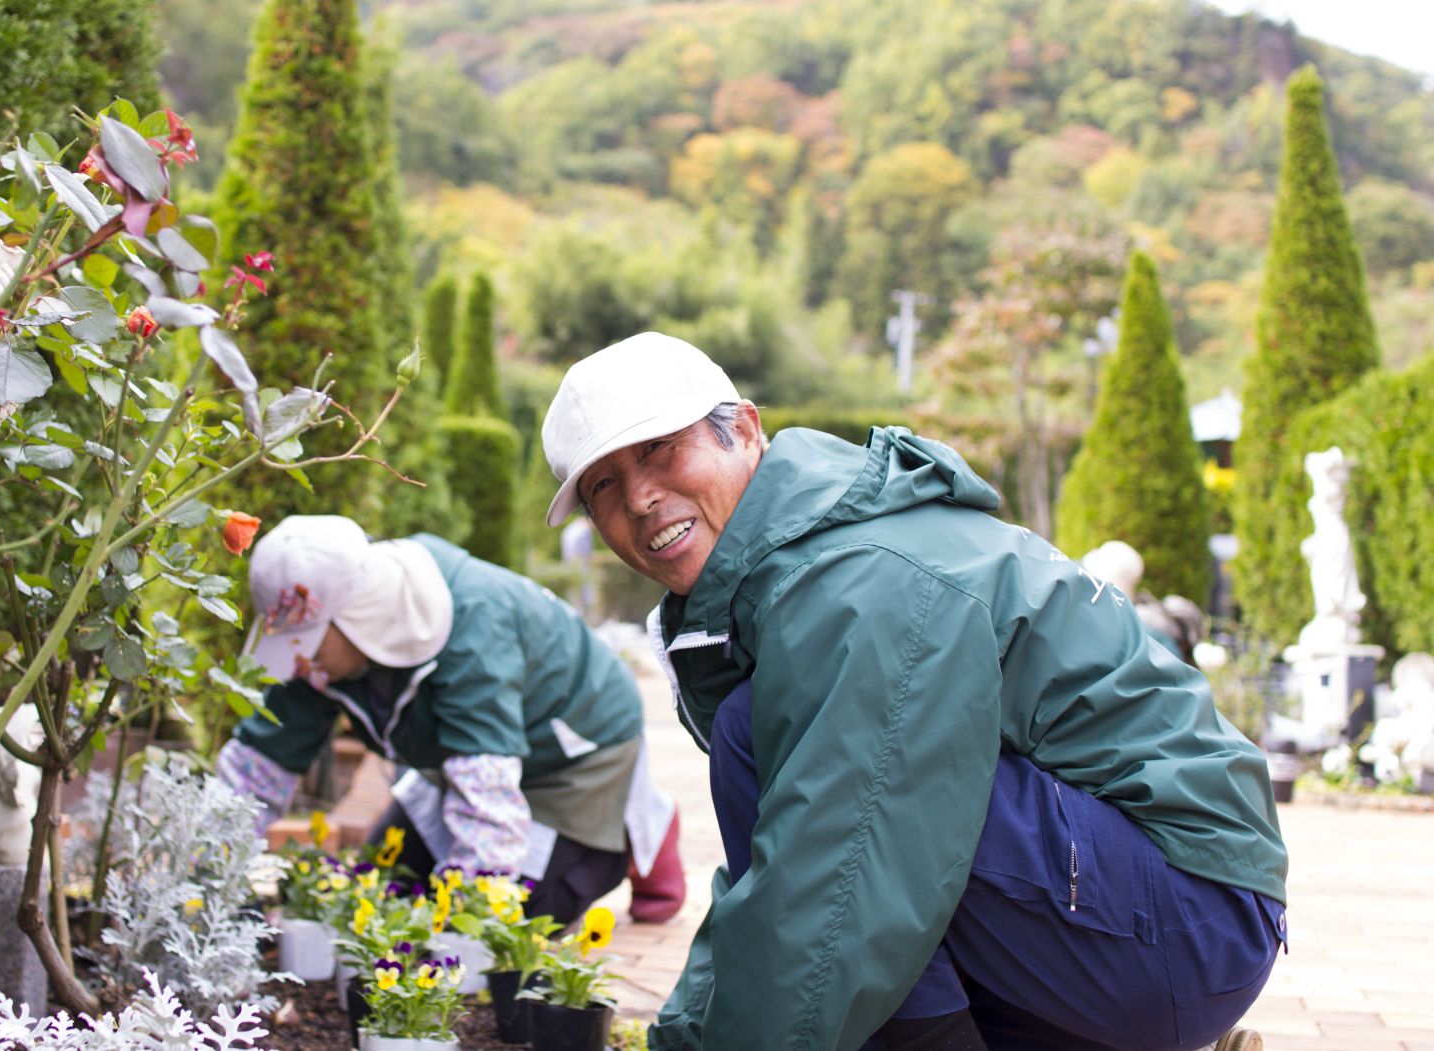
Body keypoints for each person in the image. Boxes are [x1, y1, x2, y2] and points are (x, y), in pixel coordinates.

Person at [540, 332, 1286, 1051]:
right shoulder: (812, 558)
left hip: (1188, 917)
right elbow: (769, 884)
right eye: (603, 484)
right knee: (794, 802)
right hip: (1152, 905)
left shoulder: (855, 585)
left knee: (822, 841)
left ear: (744, 430)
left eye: (658, 451)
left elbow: (828, 882)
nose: (638, 497)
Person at [215, 515, 685, 926]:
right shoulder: (317, 652)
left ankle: (644, 828)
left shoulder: (471, 629)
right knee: (382, 880)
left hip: (574, 752)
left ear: (360, 618)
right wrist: (210, 880)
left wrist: (465, 923)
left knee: (522, 913)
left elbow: (488, 818)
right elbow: (256, 769)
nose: (295, 662)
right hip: (471, 758)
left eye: (310, 641)